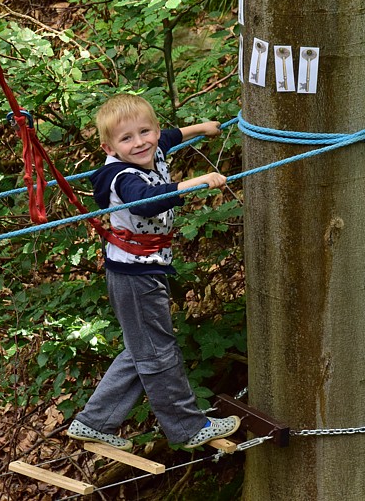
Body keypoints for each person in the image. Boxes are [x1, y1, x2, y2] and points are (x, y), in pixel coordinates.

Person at [66, 93, 240, 451]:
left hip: (144, 269)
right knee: (157, 352)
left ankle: (93, 421)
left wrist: (201, 129)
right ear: (109, 147)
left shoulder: (153, 147)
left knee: (141, 350)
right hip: (133, 276)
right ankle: (187, 427)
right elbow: (151, 199)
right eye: (126, 138)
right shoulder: (121, 176)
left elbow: (171, 137)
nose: (140, 142)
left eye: (145, 132)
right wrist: (198, 182)